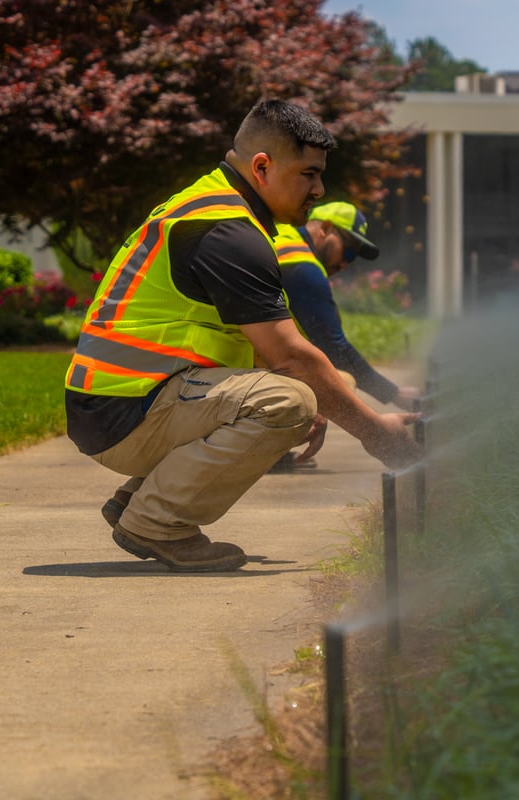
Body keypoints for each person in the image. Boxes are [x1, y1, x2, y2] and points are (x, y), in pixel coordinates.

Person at [63, 99, 423, 572]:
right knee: (288, 404)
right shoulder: (228, 232)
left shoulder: (213, 207)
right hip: (126, 412)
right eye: (309, 174)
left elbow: (247, 344)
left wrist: (318, 394)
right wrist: (377, 434)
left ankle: (138, 498)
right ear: (262, 166)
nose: (319, 189)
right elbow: (290, 356)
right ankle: (156, 520)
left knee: (300, 394)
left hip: (116, 403)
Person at [268, 201, 419, 471]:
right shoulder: (301, 266)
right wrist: (393, 394)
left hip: (224, 364)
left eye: (353, 258)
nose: (347, 263)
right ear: (326, 228)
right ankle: (264, 454)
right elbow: (336, 348)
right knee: (342, 379)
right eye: (348, 250)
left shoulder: (282, 239)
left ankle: (266, 451)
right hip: (231, 373)